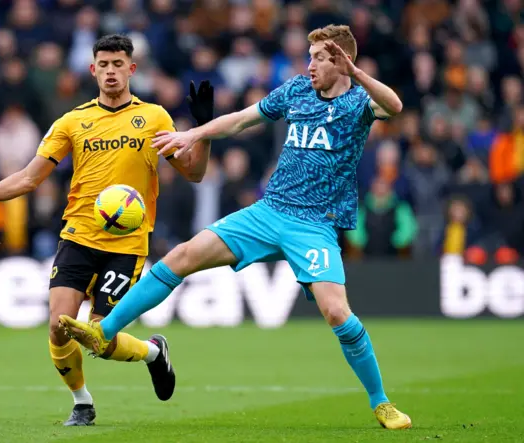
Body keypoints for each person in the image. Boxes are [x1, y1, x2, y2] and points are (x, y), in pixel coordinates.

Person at [59, 25, 412, 430]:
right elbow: (241, 120)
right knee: (182, 255)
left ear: (342, 61)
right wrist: (191, 133)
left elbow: (395, 107)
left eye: (318, 57)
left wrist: (359, 72)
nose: (309, 64)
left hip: (314, 225)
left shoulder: (358, 102)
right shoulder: (296, 90)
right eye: (310, 56)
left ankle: (381, 402)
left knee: (336, 313)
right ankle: (104, 331)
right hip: (268, 212)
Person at [0, 34, 214, 426]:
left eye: (118, 64)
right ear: (92, 69)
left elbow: (195, 173)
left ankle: (154, 353)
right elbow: (29, 179)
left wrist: (203, 130)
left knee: (99, 339)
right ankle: (82, 402)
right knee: (57, 327)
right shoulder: (73, 121)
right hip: (78, 236)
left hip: (127, 243)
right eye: (104, 64)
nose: (111, 72)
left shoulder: (154, 118)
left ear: (131, 69)